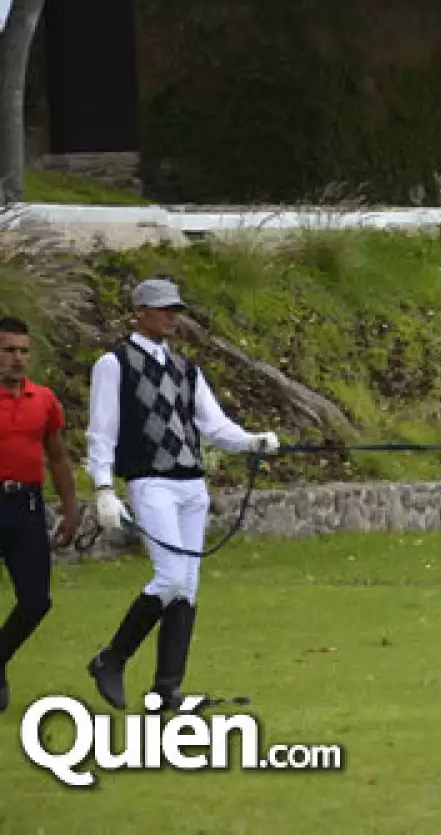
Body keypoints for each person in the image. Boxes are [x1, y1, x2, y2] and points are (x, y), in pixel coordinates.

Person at [85, 278, 280, 712]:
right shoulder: (115, 363)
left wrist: (253, 441)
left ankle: (166, 689)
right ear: (140, 311)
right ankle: (111, 658)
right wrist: (103, 487)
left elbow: (214, 426)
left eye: (176, 308)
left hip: (192, 485)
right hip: (151, 482)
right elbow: (101, 432)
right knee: (170, 576)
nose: (173, 315)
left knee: (187, 586)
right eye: (163, 308)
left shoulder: (185, 368)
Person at [0, 317, 79, 713]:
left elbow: (59, 457)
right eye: (8, 350)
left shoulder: (43, 400)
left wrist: (70, 509)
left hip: (27, 506)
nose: (17, 358)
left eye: (23, 351)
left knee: (36, 601)